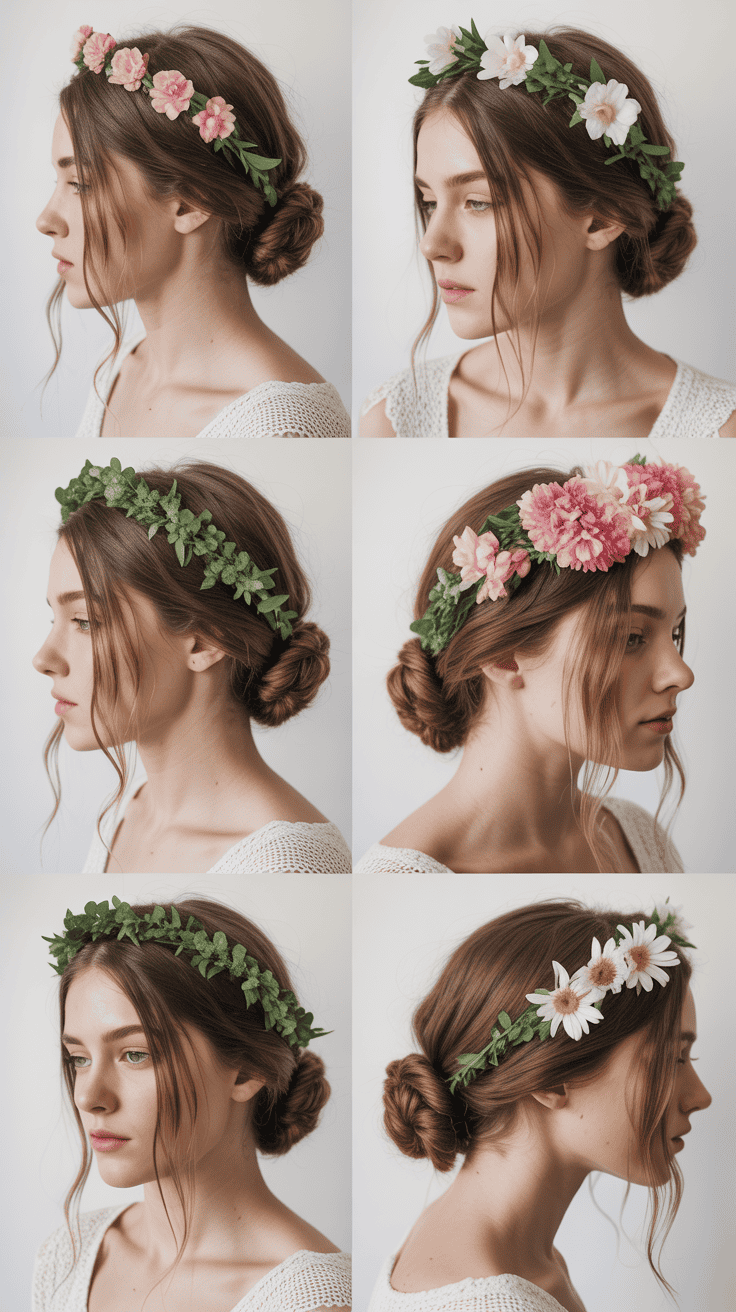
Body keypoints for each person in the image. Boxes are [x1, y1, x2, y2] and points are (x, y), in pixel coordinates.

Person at [360, 24, 736, 438]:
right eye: (430, 202)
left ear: (603, 217)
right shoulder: (396, 421)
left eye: (479, 202)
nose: (432, 244)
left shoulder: (717, 432)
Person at [355, 455, 704, 873]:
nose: (681, 674)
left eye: (675, 634)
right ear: (503, 656)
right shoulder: (406, 879)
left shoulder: (638, 839)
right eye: (630, 638)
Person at [367, 898, 710, 1312]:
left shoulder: (471, 1246)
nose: (700, 1097)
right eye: (671, 1059)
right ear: (551, 1078)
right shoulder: (490, 1301)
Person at [32, 457, 351, 874]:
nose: (43, 659)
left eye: (85, 622)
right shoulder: (129, 814)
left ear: (204, 640)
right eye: (54, 619)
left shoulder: (287, 864)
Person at [32, 895, 351, 1312]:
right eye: (79, 1058)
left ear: (245, 1070)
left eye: (135, 1054)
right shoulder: (66, 1260)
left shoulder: (312, 1300)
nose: (89, 1098)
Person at [37, 24, 349, 439]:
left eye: (82, 184)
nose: (45, 220)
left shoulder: (285, 426)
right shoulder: (121, 368)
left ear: (191, 203)